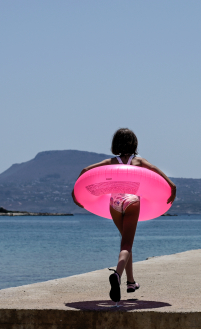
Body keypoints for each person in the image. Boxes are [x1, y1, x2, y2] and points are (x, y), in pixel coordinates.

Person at [71, 128, 176, 302]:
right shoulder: (138, 161)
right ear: (134, 143)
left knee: (125, 243)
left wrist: (76, 193)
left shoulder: (112, 161)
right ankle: (117, 275)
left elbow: (85, 170)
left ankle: (131, 282)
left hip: (115, 202)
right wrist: (172, 186)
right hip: (132, 200)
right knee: (127, 244)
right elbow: (157, 171)